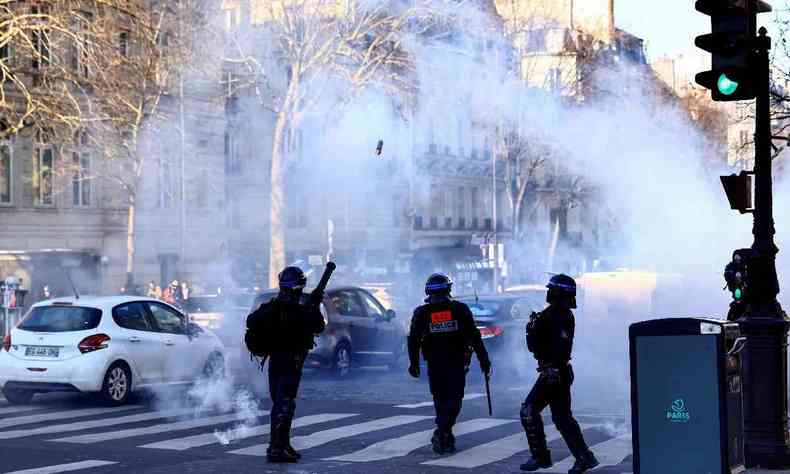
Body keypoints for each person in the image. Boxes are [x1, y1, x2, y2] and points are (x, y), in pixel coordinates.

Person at [519, 274, 599, 473]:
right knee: (562, 418)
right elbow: (537, 346)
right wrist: (533, 327)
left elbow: (556, 347)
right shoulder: (554, 314)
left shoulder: (560, 316)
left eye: (551, 289)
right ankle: (584, 457)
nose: (548, 292)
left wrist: (534, 329)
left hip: (554, 372)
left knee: (529, 411)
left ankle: (541, 457)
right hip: (555, 371)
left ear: (557, 293)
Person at [246, 266, 325, 463]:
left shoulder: (271, 306)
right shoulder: (299, 310)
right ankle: (276, 448)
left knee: (280, 402)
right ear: (297, 287)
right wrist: (313, 307)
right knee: (285, 403)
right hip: (291, 361)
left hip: (275, 361)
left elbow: (252, 320)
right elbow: (319, 326)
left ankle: (282, 443)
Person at [407, 273, 491, 455]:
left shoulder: (424, 313)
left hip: (443, 364)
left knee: (442, 399)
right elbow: (474, 337)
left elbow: (413, 340)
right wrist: (484, 360)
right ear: (449, 289)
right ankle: (445, 432)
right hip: (453, 364)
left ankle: (443, 432)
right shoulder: (459, 309)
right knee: (452, 399)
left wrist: (413, 363)